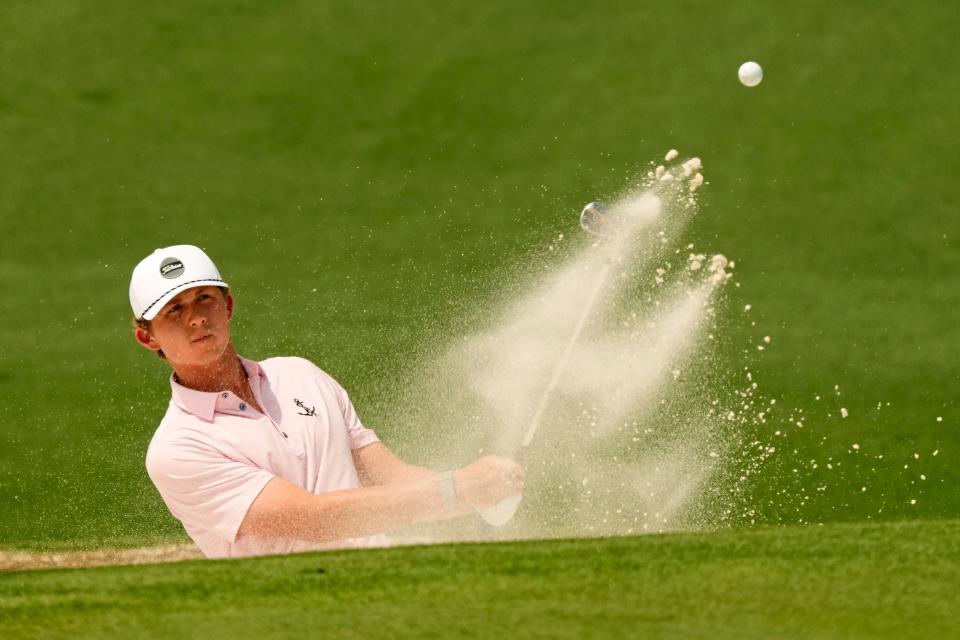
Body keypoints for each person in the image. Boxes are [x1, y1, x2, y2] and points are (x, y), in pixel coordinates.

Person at [130, 244, 523, 559]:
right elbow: (315, 519)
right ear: (148, 338)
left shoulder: (299, 373)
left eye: (204, 298)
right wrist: (457, 489)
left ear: (228, 305)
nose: (196, 318)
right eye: (174, 310)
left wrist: (484, 491)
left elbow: (391, 478)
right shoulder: (177, 450)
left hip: (389, 585)